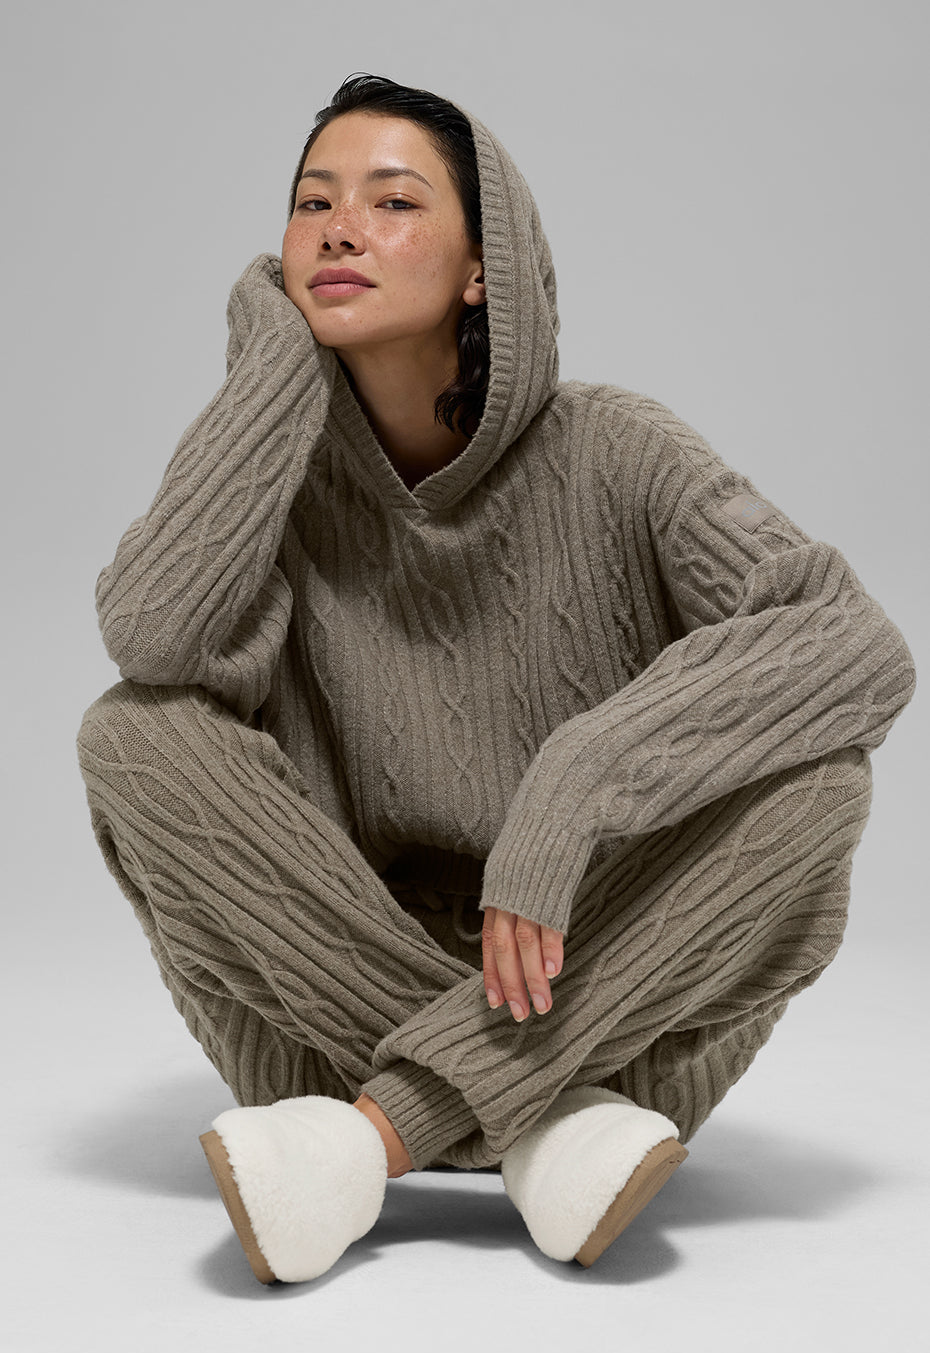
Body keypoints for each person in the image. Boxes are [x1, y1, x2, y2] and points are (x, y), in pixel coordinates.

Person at [76, 73, 917, 1285]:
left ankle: (379, 1140)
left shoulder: (621, 450)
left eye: (392, 201)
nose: (340, 230)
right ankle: (538, 1123)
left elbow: (855, 644)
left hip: (603, 1005)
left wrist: (581, 782)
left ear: (486, 268)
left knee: (819, 784)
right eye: (312, 203)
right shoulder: (271, 480)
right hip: (354, 1034)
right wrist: (270, 368)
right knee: (132, 735)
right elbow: (153, 638)